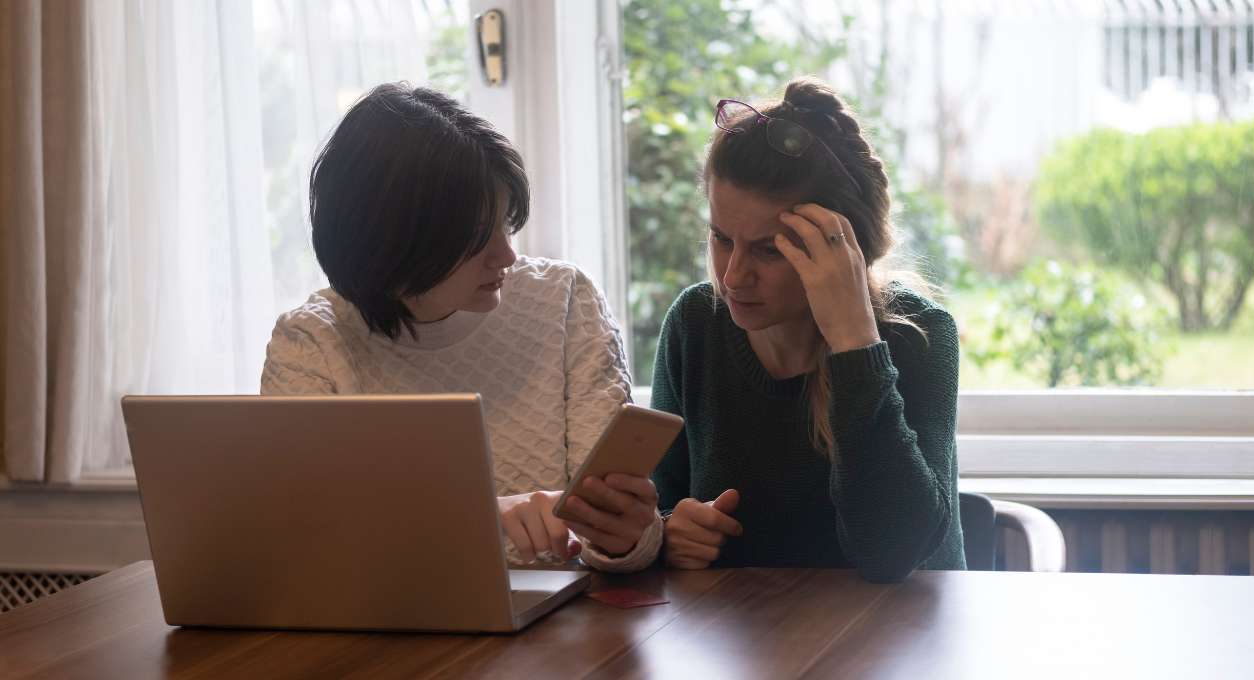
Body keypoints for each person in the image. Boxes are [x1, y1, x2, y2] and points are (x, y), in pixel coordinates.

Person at [261, 82, 661, 572]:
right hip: (396, 614)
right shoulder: (310, 344)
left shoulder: (563, 299)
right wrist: (486, 516)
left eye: (506, 224)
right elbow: (310, 543)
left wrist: (624, 538)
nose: (507, 255)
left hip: (565, 614)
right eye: (477, 236)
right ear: (393, 242)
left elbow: (629, 537)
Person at [651, 77, 965, 582]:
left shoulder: (919, 335)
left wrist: (855, 343)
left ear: (844, 247)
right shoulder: (695, 325)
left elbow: (891, 553)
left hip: (891, 627)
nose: (733, 277)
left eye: (768, 250)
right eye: (721, 238)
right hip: (739, 625)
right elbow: (656, 506)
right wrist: (669, 531)